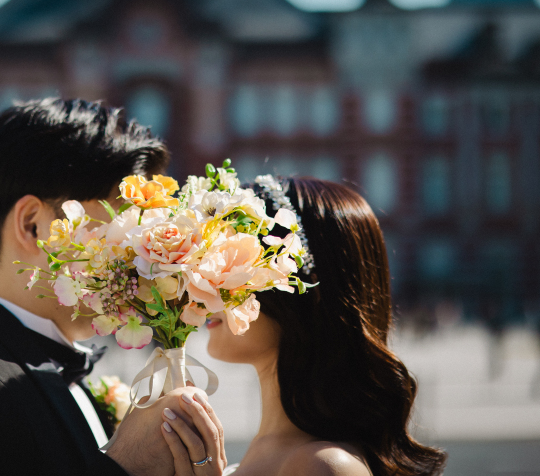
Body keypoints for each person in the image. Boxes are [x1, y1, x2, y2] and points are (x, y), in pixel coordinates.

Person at [0, 98, 218, 476]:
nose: (140, 252)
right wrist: (126, 467)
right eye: (120, 224)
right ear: (33, 226)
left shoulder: (58, 374)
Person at [161, 177, 448, 476]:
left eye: (230, 260)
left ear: (294, 288)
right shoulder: (276, 448)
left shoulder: (323, 466)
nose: (202, 278)